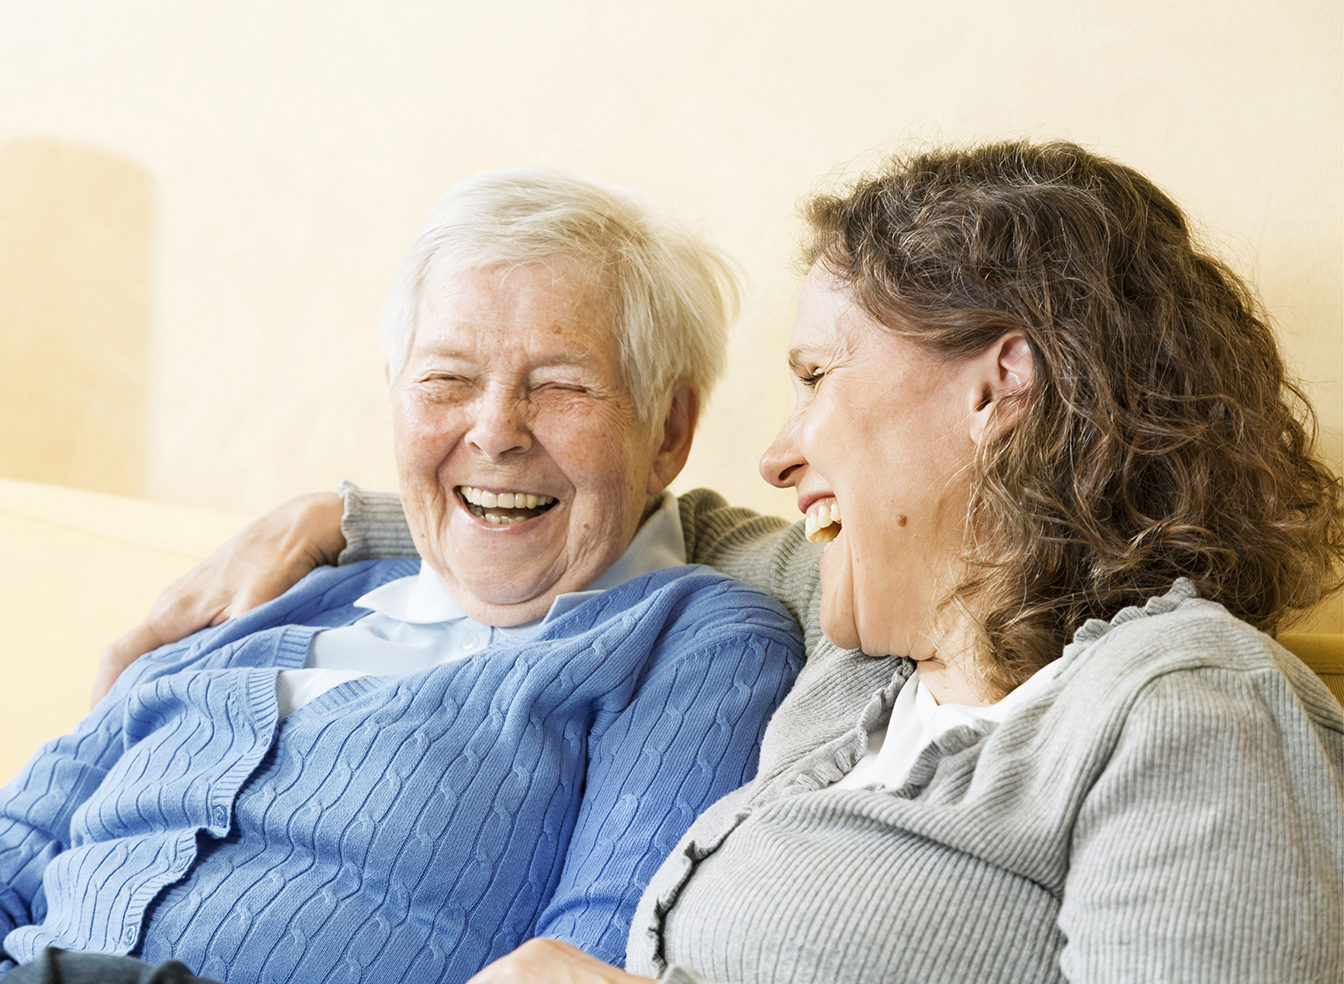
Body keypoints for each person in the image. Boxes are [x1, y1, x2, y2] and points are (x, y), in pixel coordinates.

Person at [96, 140, 1344, 982]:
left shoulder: (1186, 709)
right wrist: (349, 516)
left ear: (999, 385)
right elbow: (611, 509)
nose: (780, 453)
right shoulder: (865, 661)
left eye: (817, 378)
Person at [0, 170, 804, 983]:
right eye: (446, 380)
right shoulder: (280, 592)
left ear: (668, 429)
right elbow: (18, 846)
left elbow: (590, 957)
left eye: (560, 386)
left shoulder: (696, 643)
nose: (494, 432)